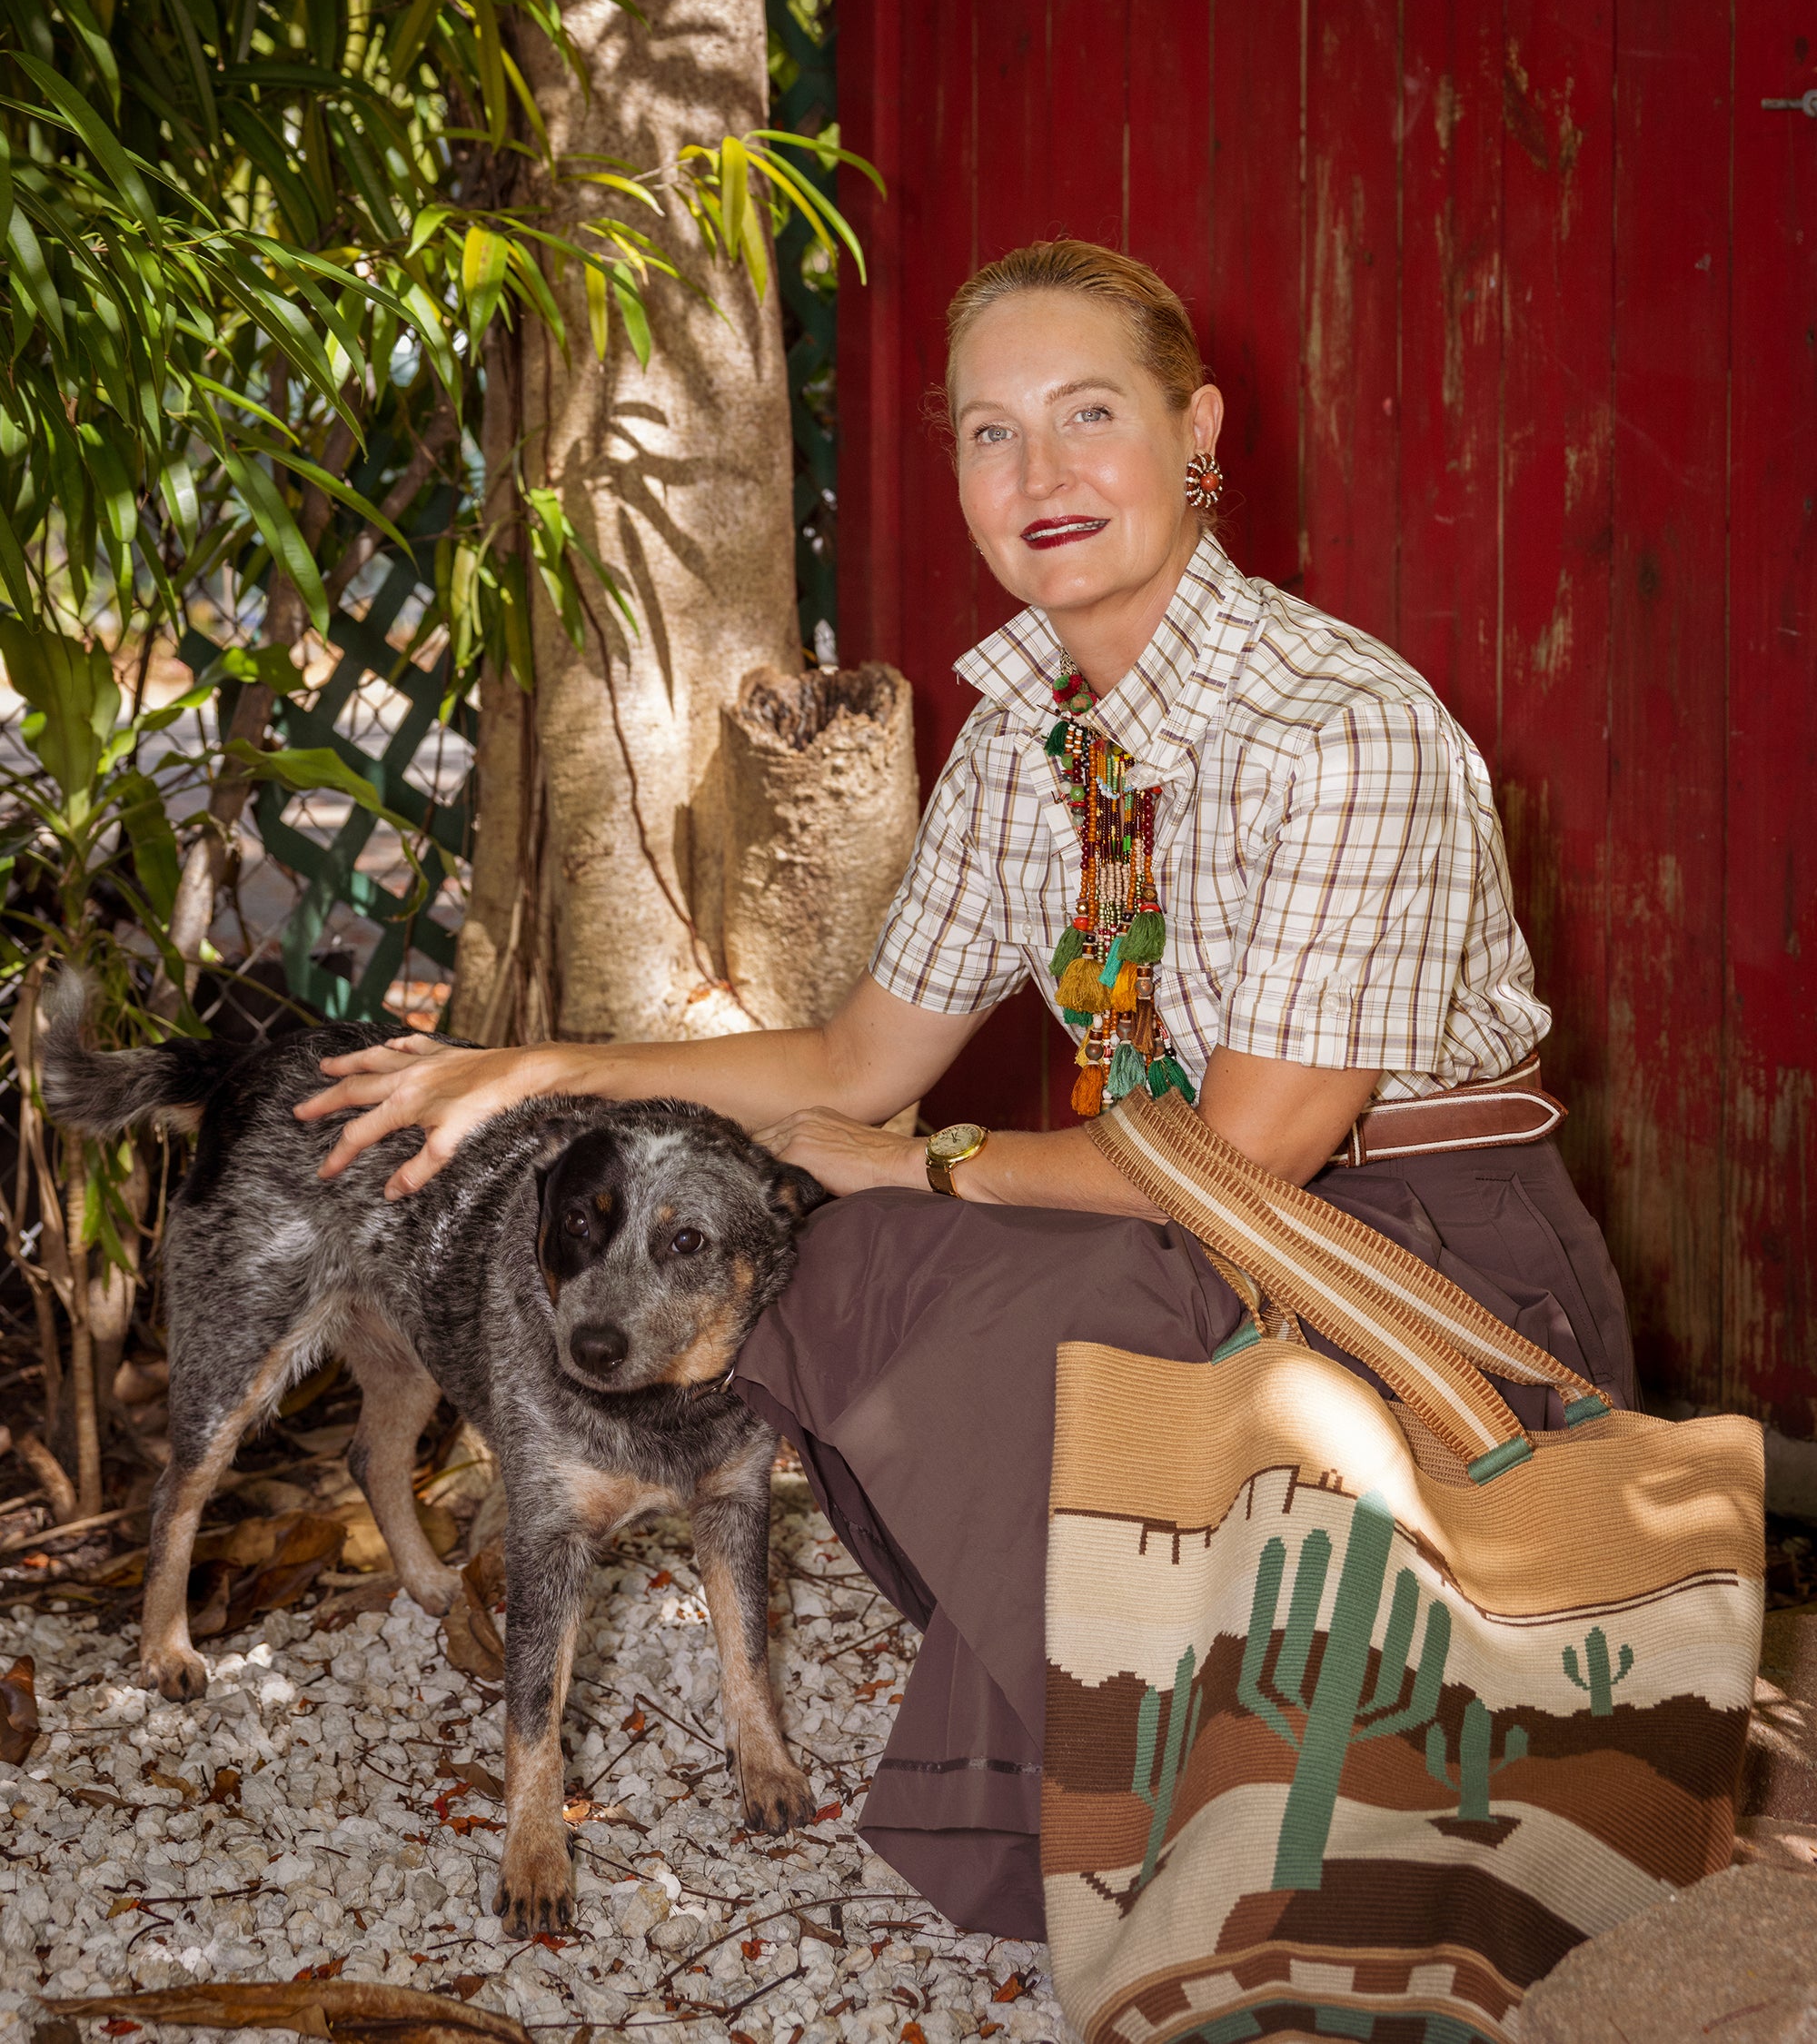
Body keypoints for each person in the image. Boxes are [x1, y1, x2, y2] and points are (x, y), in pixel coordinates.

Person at [296, 240, 1637, 1940]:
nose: (1040, 472)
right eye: (991, 434)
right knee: (836, 1265)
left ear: (1198, 433)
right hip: (1182, 1211)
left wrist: (930, 1163)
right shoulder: (1025, 742)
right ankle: (1126, 1733)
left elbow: (1251, 1154)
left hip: (1411, 1242)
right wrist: (535, 1066)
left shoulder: (1337, 726)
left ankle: (1261, 1791)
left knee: (1011, 1293)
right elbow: (854, 1062)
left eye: (1090, 414)